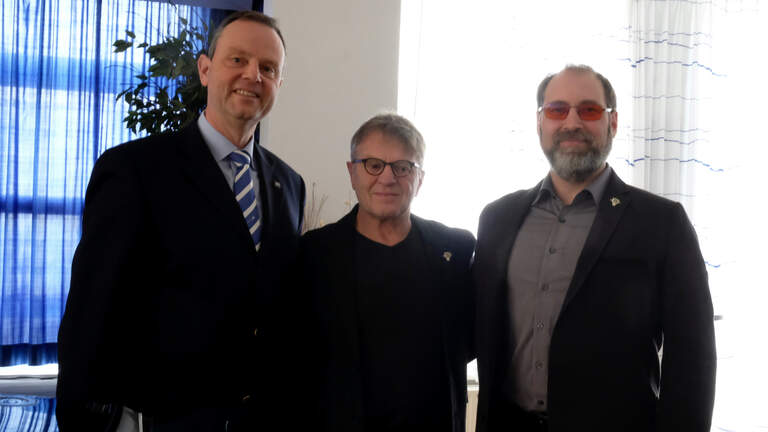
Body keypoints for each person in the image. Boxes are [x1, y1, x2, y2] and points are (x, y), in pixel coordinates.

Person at [56, 11, 305, 432]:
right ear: (205, 70)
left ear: (279, 83)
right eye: (238, 60)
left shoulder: (289, 184)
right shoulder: (135, 169)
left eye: (268, 68)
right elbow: (90, 310)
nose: (253, 75)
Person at [472, 65, 716, 432]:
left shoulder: (663, 224)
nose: (571, 122)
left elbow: (692, 360)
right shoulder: (497, 218)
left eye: (588, 110)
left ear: (612, 123)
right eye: (557, 110)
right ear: (539, 123)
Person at [297, 113, 475, 431]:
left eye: (403, 167)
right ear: (352, 173)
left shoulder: (455, 250)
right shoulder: (314, 255)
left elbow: (471, 341)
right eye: (374, 165)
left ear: (420, 179)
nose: (388, 178)